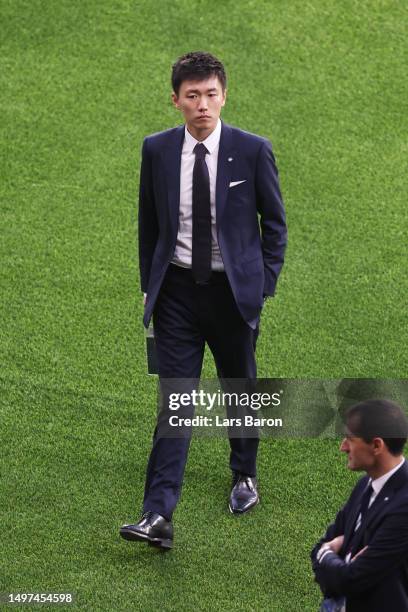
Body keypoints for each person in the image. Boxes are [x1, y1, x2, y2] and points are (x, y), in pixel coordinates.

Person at [120, 51, 287, 550]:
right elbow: (149, 224)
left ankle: (244, 476)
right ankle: (157, 514)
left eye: (211, 94)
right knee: (176, 400)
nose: (202, 105)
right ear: (175, 100)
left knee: (240, 388)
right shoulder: (156, 150)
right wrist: (150, 284)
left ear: (224, 95)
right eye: (192, 96)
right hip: (175, 295)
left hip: (234, 296)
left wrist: (263, 285)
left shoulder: (253, 151)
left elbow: (274, 226)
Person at [311, 399, 408, 611]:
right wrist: (329, 555)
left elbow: (352, 580)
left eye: (349, 439)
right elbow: (321, 545)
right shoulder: (366, 484)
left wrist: (326, 554)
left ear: (376, 445)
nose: (343, 447)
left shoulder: (404, 509)